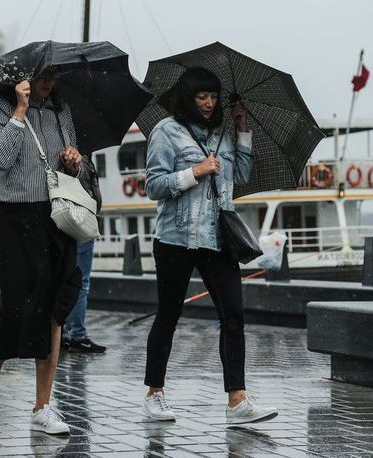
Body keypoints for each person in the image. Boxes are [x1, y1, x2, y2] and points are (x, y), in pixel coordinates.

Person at [140, 67, 278, 424]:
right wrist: (194, 172)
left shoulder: (223, 134)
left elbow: (242, 177)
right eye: (202, 96)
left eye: (213, 97)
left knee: (233, 316)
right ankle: (155, 394)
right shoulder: (166, 131)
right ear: (188, 97)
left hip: (218, 239)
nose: (208, 103)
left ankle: (237, 400)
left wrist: (242, 129)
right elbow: (153, 186)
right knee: (168, 316)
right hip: (175, 238)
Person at [0, 67, 83, 435]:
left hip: (55, 212)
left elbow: (75, 168)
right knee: (21, 300)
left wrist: (74, 162)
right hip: (13, 213)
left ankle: (42, 406)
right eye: (42, 79)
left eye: (53, 78)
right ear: (21, 80)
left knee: (55, 306)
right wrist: (19, 113)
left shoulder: (60, 109)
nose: (49, 85)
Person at [61, 156, 107, 354]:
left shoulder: (63, 148)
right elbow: (82, 187)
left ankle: (63, 334)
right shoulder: (77, 155)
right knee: (80, 283)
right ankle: (77, 336)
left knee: (66, 281)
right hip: (80, 221)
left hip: (69, 221)